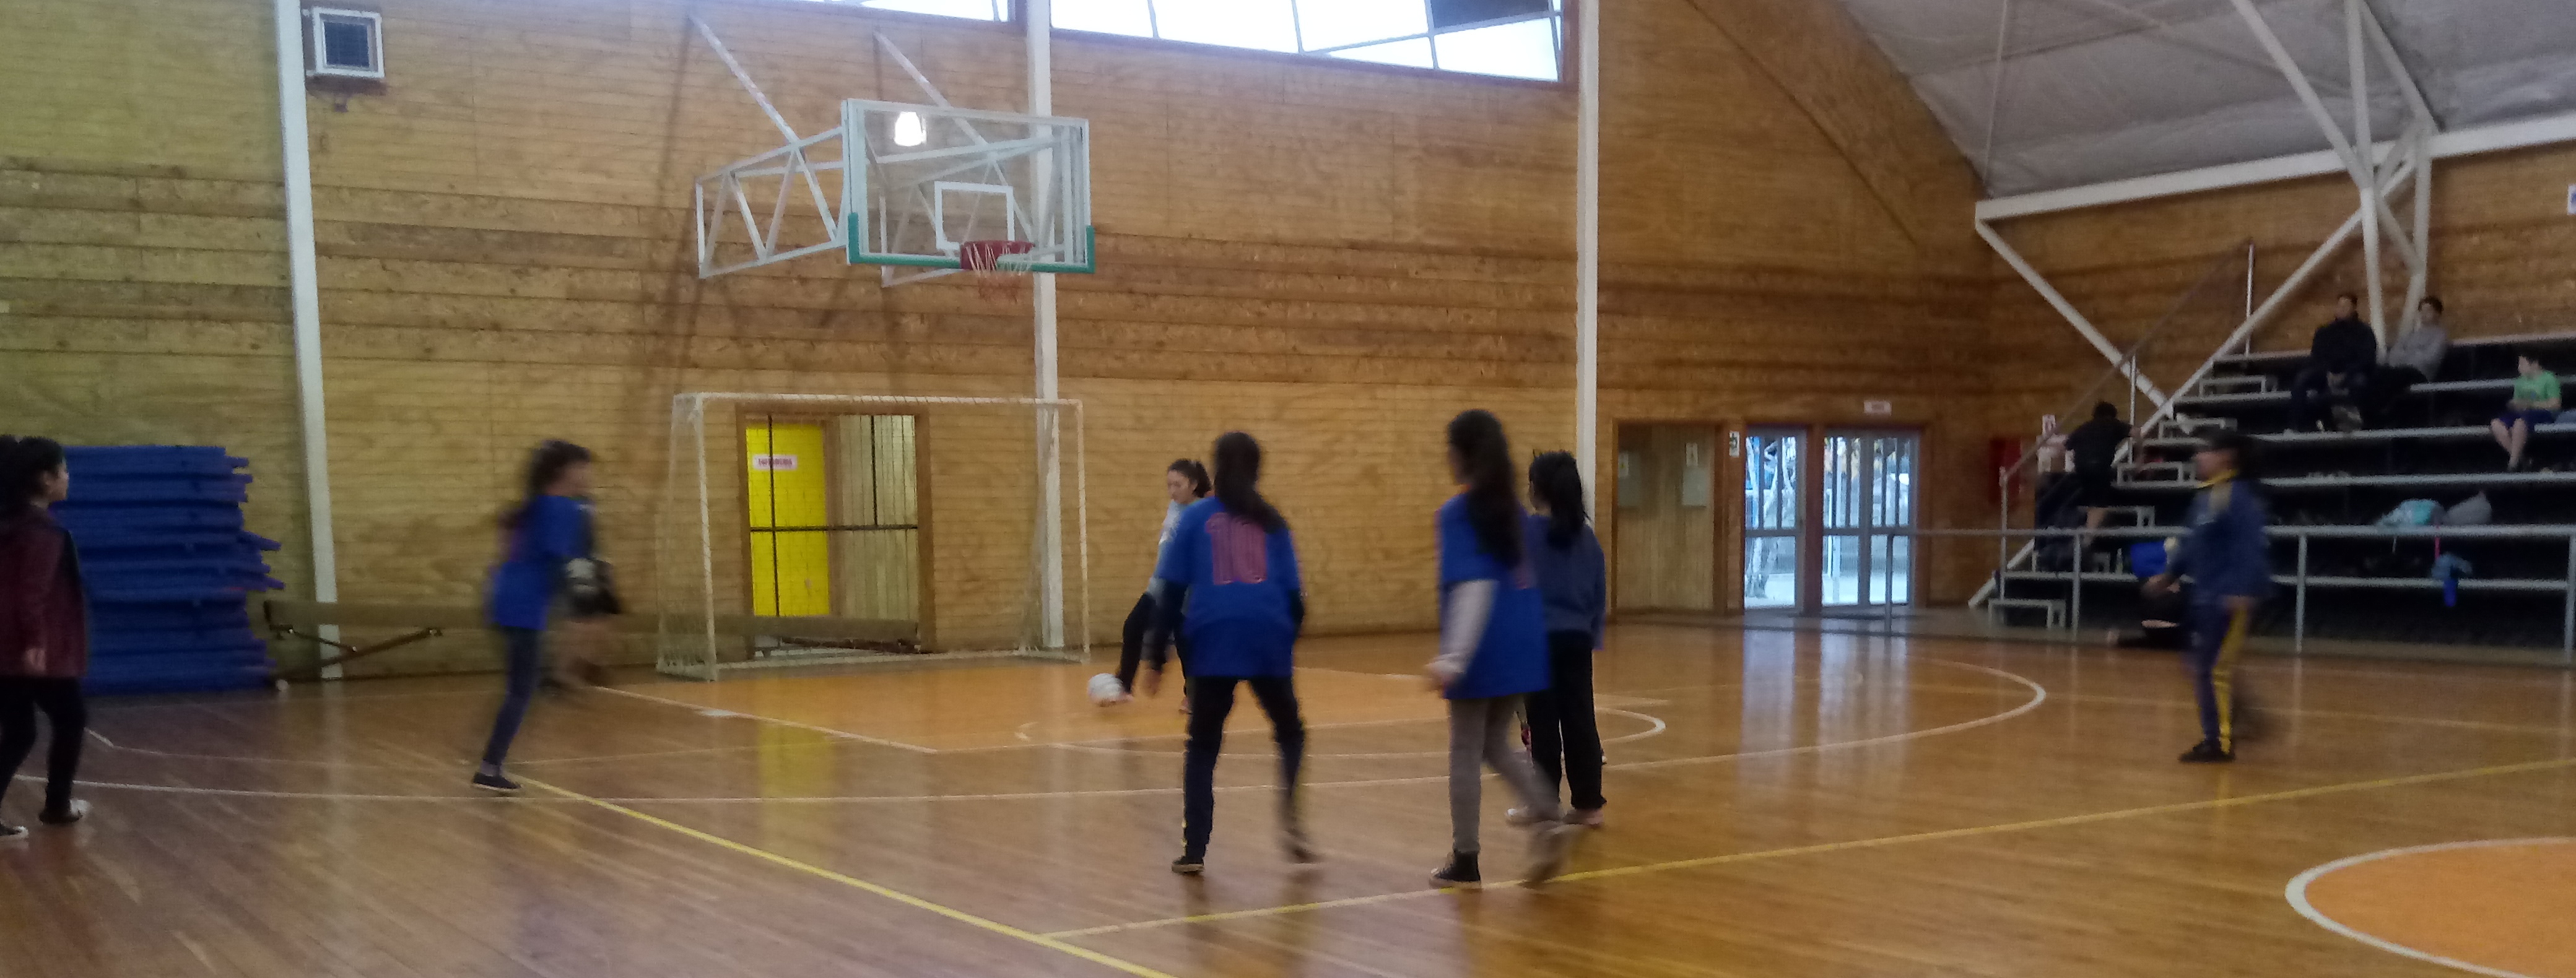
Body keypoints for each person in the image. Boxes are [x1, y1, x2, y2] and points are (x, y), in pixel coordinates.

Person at [1424, 410, 1582, 888]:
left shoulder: (1458, 513)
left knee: (1465, 750)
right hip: (1524, 642)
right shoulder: (1514, 511)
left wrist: (1454, 657)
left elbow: (1474, 588)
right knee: (1495, 744)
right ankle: (1548, 816)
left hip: (1484, 645)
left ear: (1461, 454)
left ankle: (1465, 858)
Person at [1146, 433, 1313, 874]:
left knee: (1203, 745)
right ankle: (1291, 815)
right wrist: (1284, 642)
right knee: (1290, 731)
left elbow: (1170, 591)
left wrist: (1155, 657)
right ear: (1258, 470)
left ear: (1215, 469)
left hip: (1214, 632)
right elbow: (1295, 598)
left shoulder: (1195, 518)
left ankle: (1194, 849)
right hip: (1267, 630)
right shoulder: (1273, 521)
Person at [473, 439, 596, 794]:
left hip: (505, 597)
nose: (587, 474)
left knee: (522, 687)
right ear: (563, 471)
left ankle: (491, 760)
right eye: (582, 467)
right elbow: (561, 563)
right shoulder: (563, 508)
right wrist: (580, 606)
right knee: (521, 690)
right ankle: (489, 766)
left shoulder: (534, 506)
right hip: (524, 605)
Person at [2144, 432, 2270, 763]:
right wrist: (2169, 575)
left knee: (2215, 670)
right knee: (2200, 667)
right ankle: (2234, 721)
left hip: (2227, 598)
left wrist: (2242, 590)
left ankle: (2220, 742)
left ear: (2225, 457)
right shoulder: (2205, 497)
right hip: (2205, 597)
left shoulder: (2237, 497)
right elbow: (2191, 543)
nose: (2198, 457)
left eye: (2205, 451)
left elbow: (2250, 548)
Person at [0, 436, 91, 834]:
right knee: (71, 717)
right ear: (45, 478)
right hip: (31, 650)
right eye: (63, 470)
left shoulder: (12, 524)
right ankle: (57, 805)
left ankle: (58, 803)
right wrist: (35, 642)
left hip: (7, 645)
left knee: (21, 732)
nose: (68, 477)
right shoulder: (41, 533)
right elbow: (30, 594)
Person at [1516, 451, 1607, 828]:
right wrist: (1592, 634)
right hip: (1576, 640)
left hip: (1538, 641)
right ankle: (1588, 804)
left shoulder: (1528, 534)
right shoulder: (1587, 539)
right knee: (1580, 720)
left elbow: (1516, 588)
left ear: (1538, 490)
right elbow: (1598, 593)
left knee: (1543, 724)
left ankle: (1545, 802)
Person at [1112, 459, 1209, 702]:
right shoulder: (1174, 507)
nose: (1172, 491)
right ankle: (1124, 686)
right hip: (1158, 586)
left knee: (1185, 644)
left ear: (1193, 485)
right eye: (1169, 485)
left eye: (1178, 485)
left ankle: (1194, 695)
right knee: (1133, 626)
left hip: (1183, 592)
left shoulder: (1199, 513)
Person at [2287, 292, 2378, 433]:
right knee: (2301, 379)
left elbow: (2367, 359)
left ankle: (2363, 425)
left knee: (2360, 383)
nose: (2341, 309)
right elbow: (2316, 357)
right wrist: (2329, 373)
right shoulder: (2324, 332)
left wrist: (2346, 374)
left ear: (2354, 308)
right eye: (2339, 306)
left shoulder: (2365, 332)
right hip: (2326, 373)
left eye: (2346, 306)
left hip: (2353, 373)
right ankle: (2297, 426)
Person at [2373, 296, 2450, 424]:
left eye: (2428, 311)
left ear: (2437, 314)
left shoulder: (2440, 336)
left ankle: (2381, 412)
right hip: (2401, 372)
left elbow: (2430, 359)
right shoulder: (2410, 335)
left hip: (2421, 375)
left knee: (2394, 376)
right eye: (2422, 311)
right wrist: (2416, 353)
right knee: (2378, 372)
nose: (2424, 314)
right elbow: (2393, 357)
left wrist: (2407, 354)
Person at [2063, 402, 2131, 533]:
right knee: (2101, 504)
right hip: (2100, 466)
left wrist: (2075, 462)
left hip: (2082, 468)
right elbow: (2137, 432)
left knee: (2091, 500)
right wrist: (2140, 457)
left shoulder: (2085, 427)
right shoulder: (2113, 424)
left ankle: (2083, 530)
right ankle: (2088, 537)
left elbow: (2066, 446)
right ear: (2112, 415)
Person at [2490, 349, 2561, 471]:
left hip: (2543, 413)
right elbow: (2517, 402)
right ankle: (2522, 459)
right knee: (2496, 424)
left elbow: (2555, 404)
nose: (2519, 368)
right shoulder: (2520, 382)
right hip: (2523, 413)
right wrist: (2514, 405)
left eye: (2523, 364)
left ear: (2535, 364)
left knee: (2519, 424)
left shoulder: (2549, 378)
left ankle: (2512, 465)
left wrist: (2531, 405)